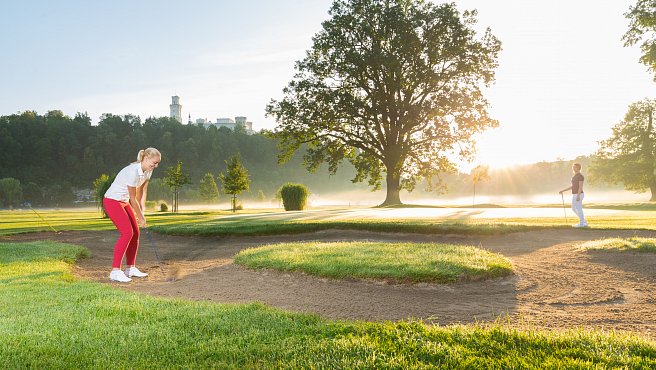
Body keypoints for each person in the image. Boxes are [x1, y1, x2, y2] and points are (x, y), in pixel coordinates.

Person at [103, 148, 161, 282]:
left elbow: (141, 192)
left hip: (123, 201)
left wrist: (142, 210)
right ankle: (115, 271)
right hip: (112, 201)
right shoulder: (132, 171)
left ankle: (130, 268)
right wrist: (140, 217)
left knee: (135, 233)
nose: (155, 166)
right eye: (154, 162)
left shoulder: (148, 171)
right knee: (127, 233)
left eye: (157, 163)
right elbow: (132, 197)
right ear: (146, 158)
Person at [559, 162, 588, 228]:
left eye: (575, 167)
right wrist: (563, 191)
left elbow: (580, 187)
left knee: (578, 208)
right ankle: (584, 222)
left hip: (579, 194)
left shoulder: (580, 176)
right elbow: (572, 186)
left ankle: (581, 224)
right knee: (573, 208)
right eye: (573, 167)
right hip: (575, 194)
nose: (574, 168)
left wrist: (578, 196)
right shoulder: (574, 176)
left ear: (579, 168)